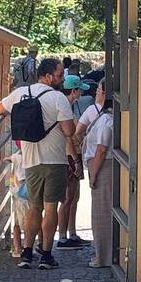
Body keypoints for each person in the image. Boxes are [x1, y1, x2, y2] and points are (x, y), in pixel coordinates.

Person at [0, 57, 77, 269]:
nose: (61, 79)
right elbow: (69, 131)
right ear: (48, 76)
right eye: (59, 75)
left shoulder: (21, 93)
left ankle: (27, 253)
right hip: (55, 161)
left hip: (30, 161)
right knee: (51, 209)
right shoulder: (58, 98)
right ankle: (47, 255)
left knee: (34, 207)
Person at [83, 81, 115, 268]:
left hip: (102, 165)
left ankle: (103, 256)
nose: (97, 91)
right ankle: (103, 254)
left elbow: (101, 149)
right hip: (100, 163)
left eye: (100, 89)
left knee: (101, 213)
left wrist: (93, 174)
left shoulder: (107, 119)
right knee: (101, 211)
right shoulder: (106, 116)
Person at [55, 75, 89, 248]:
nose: (81, 92)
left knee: (74, 198)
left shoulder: (68, 106)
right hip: (70, 156)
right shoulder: (65, 109)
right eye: (79, 89)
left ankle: (72, 233)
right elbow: (68, 138)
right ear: (74, 91)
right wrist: (75, 161)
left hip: (74, 155)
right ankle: (62, 236)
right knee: (68, 198)